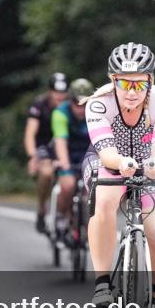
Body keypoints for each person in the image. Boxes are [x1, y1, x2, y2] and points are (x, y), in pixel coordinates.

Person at [84, 43, 155, 308]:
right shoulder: (99, 104)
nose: (132, 91)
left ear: (151, 82)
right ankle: (102, 284)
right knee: (105, 201)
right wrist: (121, 162)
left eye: (139, 84)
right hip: (110, 158)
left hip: (152, 164)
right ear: (113, 80)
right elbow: (107, 153)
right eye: (124, 83)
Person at [49, 78, 93, 243]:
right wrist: (65, 166)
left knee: (92, 191)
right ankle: (61, 216)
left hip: (88, 153)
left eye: (84, 103)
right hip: (66, 152)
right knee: (67, 185)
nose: (80, 109)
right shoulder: (60, 112)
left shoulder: (97, 112)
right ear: (70, 100)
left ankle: (89, 226)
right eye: (76, 103)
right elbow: (60, 141)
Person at [24, 72, 69, 233]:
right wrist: (32, 156)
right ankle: (42, 208)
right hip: (44, 145)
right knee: (46, 173)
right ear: (50, 91)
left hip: (65, 143)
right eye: (57, 92)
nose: (60, 96)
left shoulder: (72, 105)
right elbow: (30, 133)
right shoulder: (39, 105)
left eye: (63, 92)